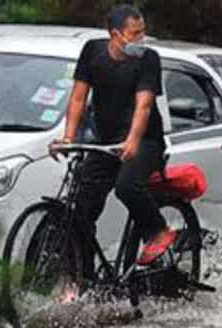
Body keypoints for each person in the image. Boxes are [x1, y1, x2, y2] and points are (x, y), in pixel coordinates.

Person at [52, 4, 175, 275]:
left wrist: (133, 140)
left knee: (127, 186)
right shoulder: (93, 52)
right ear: (115, 34)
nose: (140, 39)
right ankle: (83, 276)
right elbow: (78, 98)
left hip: (145, 140)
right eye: (134, 34)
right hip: (107, 142)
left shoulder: (148, 59)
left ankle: (158, 232)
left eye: (143, 32)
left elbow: (144, 105)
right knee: (81, 207)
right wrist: (68, 137)